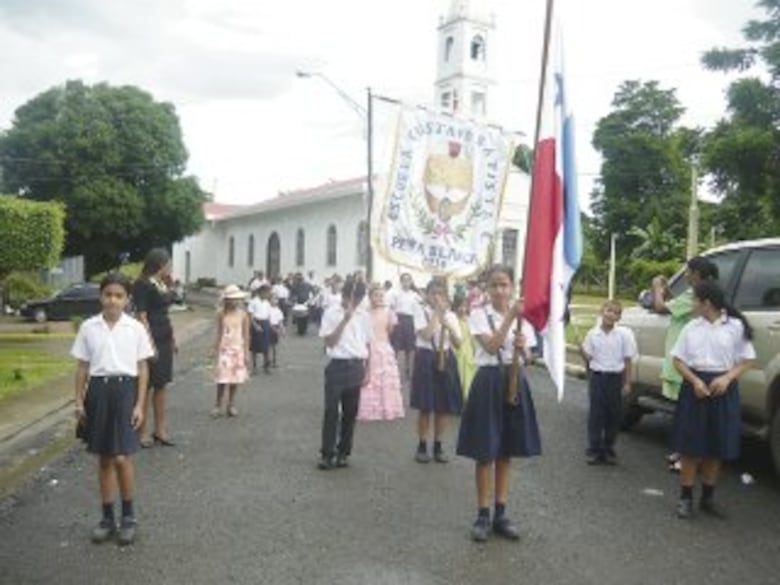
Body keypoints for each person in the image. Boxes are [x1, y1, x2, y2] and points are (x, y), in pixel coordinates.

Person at [456, 265, 541, 543]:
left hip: (514, 380)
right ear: (486, 289)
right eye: (494, 285)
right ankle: (482, 513)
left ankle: (501, 513)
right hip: (489, 381)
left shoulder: (524, 320)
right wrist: (509, 321)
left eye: (504, 285)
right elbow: (491, 347)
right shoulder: (479, 315)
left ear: (512, 287)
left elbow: (529, 357)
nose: (499, 291)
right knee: (485, 452)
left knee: (506, 450)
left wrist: (523, 348)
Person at [72, 272, 155, 546]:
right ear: (101, 296)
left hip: (125, 391)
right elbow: (83, 366)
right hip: (98, 391)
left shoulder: (135, 328)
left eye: (119, 295)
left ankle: (128, 517)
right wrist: (78, 400)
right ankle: (107, 518)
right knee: (105, 458)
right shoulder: (89, 327)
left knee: (122, 457)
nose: (112, 300)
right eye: (108, 294)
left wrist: (140, 404)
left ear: (127, 299)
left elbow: (143, 368)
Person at [671, 280, 755, 519]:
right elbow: (678, 360)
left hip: (723, 388)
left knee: (716, 446)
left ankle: (708, 497)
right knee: (690, 445)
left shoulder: (736, 327)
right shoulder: (690, 327)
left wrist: (727, 378)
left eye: (695, 300)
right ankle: (685, 498)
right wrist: (695, 381)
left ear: (706, 303)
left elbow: (748, 359)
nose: (692, 304)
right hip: (694, 387)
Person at [652, 257, 719, 472]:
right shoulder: (701, 294)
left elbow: (661, 308)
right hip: (689, 357)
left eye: (689, 271)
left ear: (698, 274)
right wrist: (667, 293)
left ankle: (688, 456)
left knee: (690, 412)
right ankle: (683, 451)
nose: (687, 275)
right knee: (685, 411)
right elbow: (676, 306)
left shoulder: (695, 294)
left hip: (688, 360)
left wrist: (657, 289)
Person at [317, 278, 372, 470]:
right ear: (344, 295)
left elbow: (367, 344)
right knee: (331, 411)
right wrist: (344, 320)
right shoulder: (331, 313)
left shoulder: (364, 315)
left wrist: (368, 369)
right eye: (351, 298)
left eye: (358, 299)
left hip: (356, 365)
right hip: (337, 365)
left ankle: (343, 452)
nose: (354, 303)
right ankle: (327, 453)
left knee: (350, 413)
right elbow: (329, 342)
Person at [410, 279, 463, 464]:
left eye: (441, 293)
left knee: (443, 406)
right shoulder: (420, 311)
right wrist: (436, 315)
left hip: (446, 358)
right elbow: (425, 335)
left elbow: (458, 343)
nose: (437, 297)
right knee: (425, 406)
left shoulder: (452, 316)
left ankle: (438, 445)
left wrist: (448, 326)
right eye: (434, 293)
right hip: (426, 357)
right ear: (428, 294)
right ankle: (422, 444)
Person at [579, 300, 637, 465]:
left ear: (619, 317)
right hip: (598, 377)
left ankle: (608, 448)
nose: (610, 314)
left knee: (614, 415)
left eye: (615, 312)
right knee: (596, 414)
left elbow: (627, 360)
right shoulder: (592, 334)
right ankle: (594, 448)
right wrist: (581, 351)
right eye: (608, 310)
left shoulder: (624, 335)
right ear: (601, 312)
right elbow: (588, 359)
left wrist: (627, 383)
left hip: (615, 378)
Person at [133, 248, 177, 448]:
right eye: (168, 263)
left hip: (165, 335)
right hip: (150, 338)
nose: (170, 267)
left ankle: (160, 429)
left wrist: (173, 338)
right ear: (160, 263)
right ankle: (140, 432)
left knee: (161, 384)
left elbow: (166, 311)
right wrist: (149, 345)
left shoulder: (161, 283)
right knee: (146, 386)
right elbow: (141, 316)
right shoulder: (142, 284)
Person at [358, 284, 404, 421]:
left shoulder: (388, 311)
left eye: (381, 295)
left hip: (383, 347)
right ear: (370, 296)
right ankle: (369, 409)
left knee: (385, 379)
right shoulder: (364, 312)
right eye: (376, 295)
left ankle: (386, 408)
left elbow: (390, 331)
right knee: (369, 377)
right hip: (368, 347)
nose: (378, 298)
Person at [212, 285, 250, 417]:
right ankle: (218, 404)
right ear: (226, 300)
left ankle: (231, 404)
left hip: (237, 349)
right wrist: (215, 350)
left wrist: (246, 352)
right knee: (222, 379)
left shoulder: (243, 315)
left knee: (235, 379)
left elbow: (246, 335)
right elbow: (218, 333)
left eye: (237, 299)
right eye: (232, 299)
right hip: (224, 349)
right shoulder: (221, 313)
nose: (235, 302)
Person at [390, 273, 420, 381]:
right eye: (404, 280)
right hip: (399, 319)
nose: (406, 282)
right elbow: (391, 307)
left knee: (410, 348)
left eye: (408, 280)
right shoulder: (395, 293)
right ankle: (392, 369)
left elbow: (419, 308)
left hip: (410, 321)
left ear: (411, 281)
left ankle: (408, 368)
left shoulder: (414, 295)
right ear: (401, 281)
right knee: (396, 346)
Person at [452, 295, 477, 400]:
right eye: (460, 306)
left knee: (469, 379)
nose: (462, 309)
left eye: (465, 306)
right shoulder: (452, 320)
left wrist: (475, 351)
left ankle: (467, 401)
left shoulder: (469, 320)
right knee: (458, 377)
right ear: (455, 307)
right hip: (456, 352)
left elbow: (473, 339)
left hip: (469, 353)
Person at [248, 284, 272, 375]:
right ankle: (254, 367)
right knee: (255, 347)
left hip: (265, 323)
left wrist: (269, 325)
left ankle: (266, 366)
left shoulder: (267, 303)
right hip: (257, 323)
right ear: (261, 292)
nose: (268, 294)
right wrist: (255, 325)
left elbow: (268, 315)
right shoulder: (253, 301)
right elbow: (250, 315)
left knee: (266, 346)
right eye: (267, 292)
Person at [269, 296, 285, 368]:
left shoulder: (278, 310)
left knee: (275, 346)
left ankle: (274, 361)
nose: (274, 301)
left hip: (276, 327)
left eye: (275, 300)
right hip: (269, 327)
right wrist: (273, 329)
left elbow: (280, 321)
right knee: (268, 346)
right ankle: (267, 361)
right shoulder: (268, 309)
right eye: (273, 299)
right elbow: (267, 320)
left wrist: (282, 330)